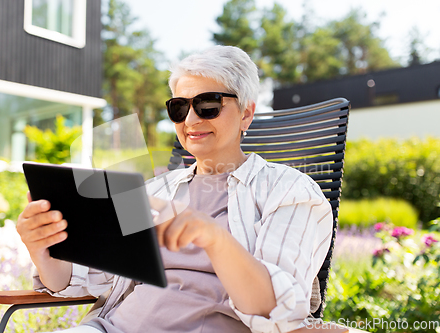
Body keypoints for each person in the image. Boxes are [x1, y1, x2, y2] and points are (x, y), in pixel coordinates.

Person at [16, 45, 333, 333]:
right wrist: (43, 249)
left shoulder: (289, 191)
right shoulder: (154, 191)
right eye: (179, 108)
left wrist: (214, 237)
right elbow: (88, 279)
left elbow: (277, 309)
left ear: (246, 113)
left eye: (208, 104)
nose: (191, 119)